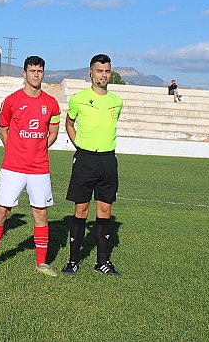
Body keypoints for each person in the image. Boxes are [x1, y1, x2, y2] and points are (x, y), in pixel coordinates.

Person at [0, 56, 61, 277]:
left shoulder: (51, 104)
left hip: (39, 169)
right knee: (2, 211)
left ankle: (42, 263)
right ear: (24, 74)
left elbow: (53, 133)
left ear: (43, 73)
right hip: (13, 167)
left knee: (41, 214)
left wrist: (38, 149)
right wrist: (14, 150)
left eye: (40, 71)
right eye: (32, 71)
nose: (36, 75)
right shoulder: (12, 100)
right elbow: (3, 129)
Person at [63, 54, 123, 277]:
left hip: (108, 160)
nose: (103, 75)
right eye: (99, 71)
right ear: (91, 72)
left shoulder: (116, 102)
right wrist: (78, 142)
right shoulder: (79, 99)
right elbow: (69, 122)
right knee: (81, 209)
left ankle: (102, 262)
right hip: (85, 159)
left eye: (107, 71)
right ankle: (73, 261)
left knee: (105, 210)